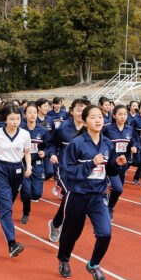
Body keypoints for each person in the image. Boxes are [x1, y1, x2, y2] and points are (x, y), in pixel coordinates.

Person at [57, 105, 126, 280]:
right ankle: (64, 260)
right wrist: (90, 165)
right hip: (78, 195)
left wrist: (117, 164)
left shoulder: (108, 144)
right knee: (71, 233)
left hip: (98, 195)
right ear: (85, 121)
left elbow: (109, 169)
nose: (98, 120)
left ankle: (94, 264)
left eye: (101, 117)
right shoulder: (76, 144)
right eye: (93, 117)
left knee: (105, 233)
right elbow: (69, 171)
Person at [0, 104, 32, 257]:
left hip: (17, 170)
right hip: (0, 170)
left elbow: (27, 152)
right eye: (12, 119)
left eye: (17, 119)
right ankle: (12, 243)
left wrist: (28, 166)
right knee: (7, 209)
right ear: (5, 119)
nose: (15, 122)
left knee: (8, 202)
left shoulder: (24, 134)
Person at [47, 99, 86, 243]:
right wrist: (52, 154)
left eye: (84, 110)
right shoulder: (63, 128)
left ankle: (55, 223)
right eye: (79, 110)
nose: (81, 113)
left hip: (82, 170)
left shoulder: (91, 129)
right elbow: (51, 143)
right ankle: (58, 225)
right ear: (72, 111)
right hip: (64, 169)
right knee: (70, 193)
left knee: (74, 199)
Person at [103, 105, 140, 221]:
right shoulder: (107, 129)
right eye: (120, 114)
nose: (123, 116)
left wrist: (134, 147)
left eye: (125, 114)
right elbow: (100, 142)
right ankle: (105, 207)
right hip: (109, 164)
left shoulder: (129, 129)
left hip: (123, 164)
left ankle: (109, 205)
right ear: (114, 115)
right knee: (112, 187)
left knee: (118, 189)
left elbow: (135, 142)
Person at [19, 102, 50, 224]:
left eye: (34, 113)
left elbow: (48, 146)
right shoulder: (20, 130)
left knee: (36, 194)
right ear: (25, 114)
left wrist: (44, 152)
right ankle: (26, 212)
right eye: (30, 113)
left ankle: (26, 195)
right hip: (23, 164)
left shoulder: (42, 130)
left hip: (37, 164)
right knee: (26, 191)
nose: (32, 115)